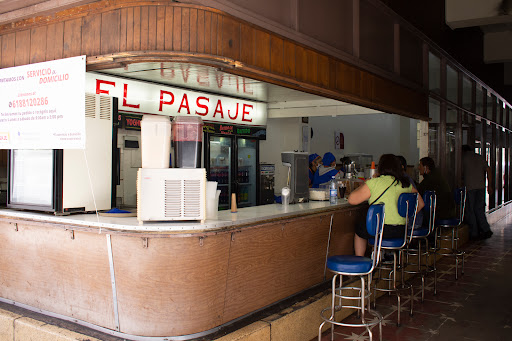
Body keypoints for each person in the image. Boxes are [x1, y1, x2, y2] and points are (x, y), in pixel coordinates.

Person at [348, 154, 424, 256]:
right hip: (402, 230)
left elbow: (352, 200)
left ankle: (360, 259)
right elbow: (421, 203)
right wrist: (408, 216)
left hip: (380, 230)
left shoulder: (375, 182)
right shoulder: (405, 184)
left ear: (380, 167)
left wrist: (366, 183)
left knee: (360, 229)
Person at [462, 145, 493, 240]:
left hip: (470, 188)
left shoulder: (463, 158)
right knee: (479, 209)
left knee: (470, 210)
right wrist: (490, 185)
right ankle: (486, 229)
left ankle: (474, 233)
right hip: (481, 187)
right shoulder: (479, 157)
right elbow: (488, 170)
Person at [417, 157, 456, 224]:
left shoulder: (429, 179)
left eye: (420, 165)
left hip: (441, 213)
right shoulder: (437, 175)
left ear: (426, 167)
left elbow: (419, 192)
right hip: (449, 211)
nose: (418, 168)